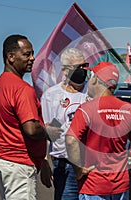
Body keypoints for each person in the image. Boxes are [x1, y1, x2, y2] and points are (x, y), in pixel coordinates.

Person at [0, 34, 60, 199]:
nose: (32, 58)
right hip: (18, 162)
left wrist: (42, 160)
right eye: (26, 54)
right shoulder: (22, 89)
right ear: (11, 57)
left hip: (1, 161)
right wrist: (49, 132)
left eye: (32, 53)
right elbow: (31, 129)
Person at [65, 62, 131, 200]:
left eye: (89, 77)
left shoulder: (86, 109)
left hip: (94, 186)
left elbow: (70, 140)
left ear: (95, 79)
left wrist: (78, 170)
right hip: (120, 186)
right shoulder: (128, 109)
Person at [41, 48, 89, 200]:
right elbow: (47, 132)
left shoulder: (93, 90)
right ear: (65, 70)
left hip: (91, 164)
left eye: (84, 66)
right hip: (65, 167)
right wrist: (45, 163)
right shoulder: (51, 96)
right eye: (78, 67)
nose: (82, 70)